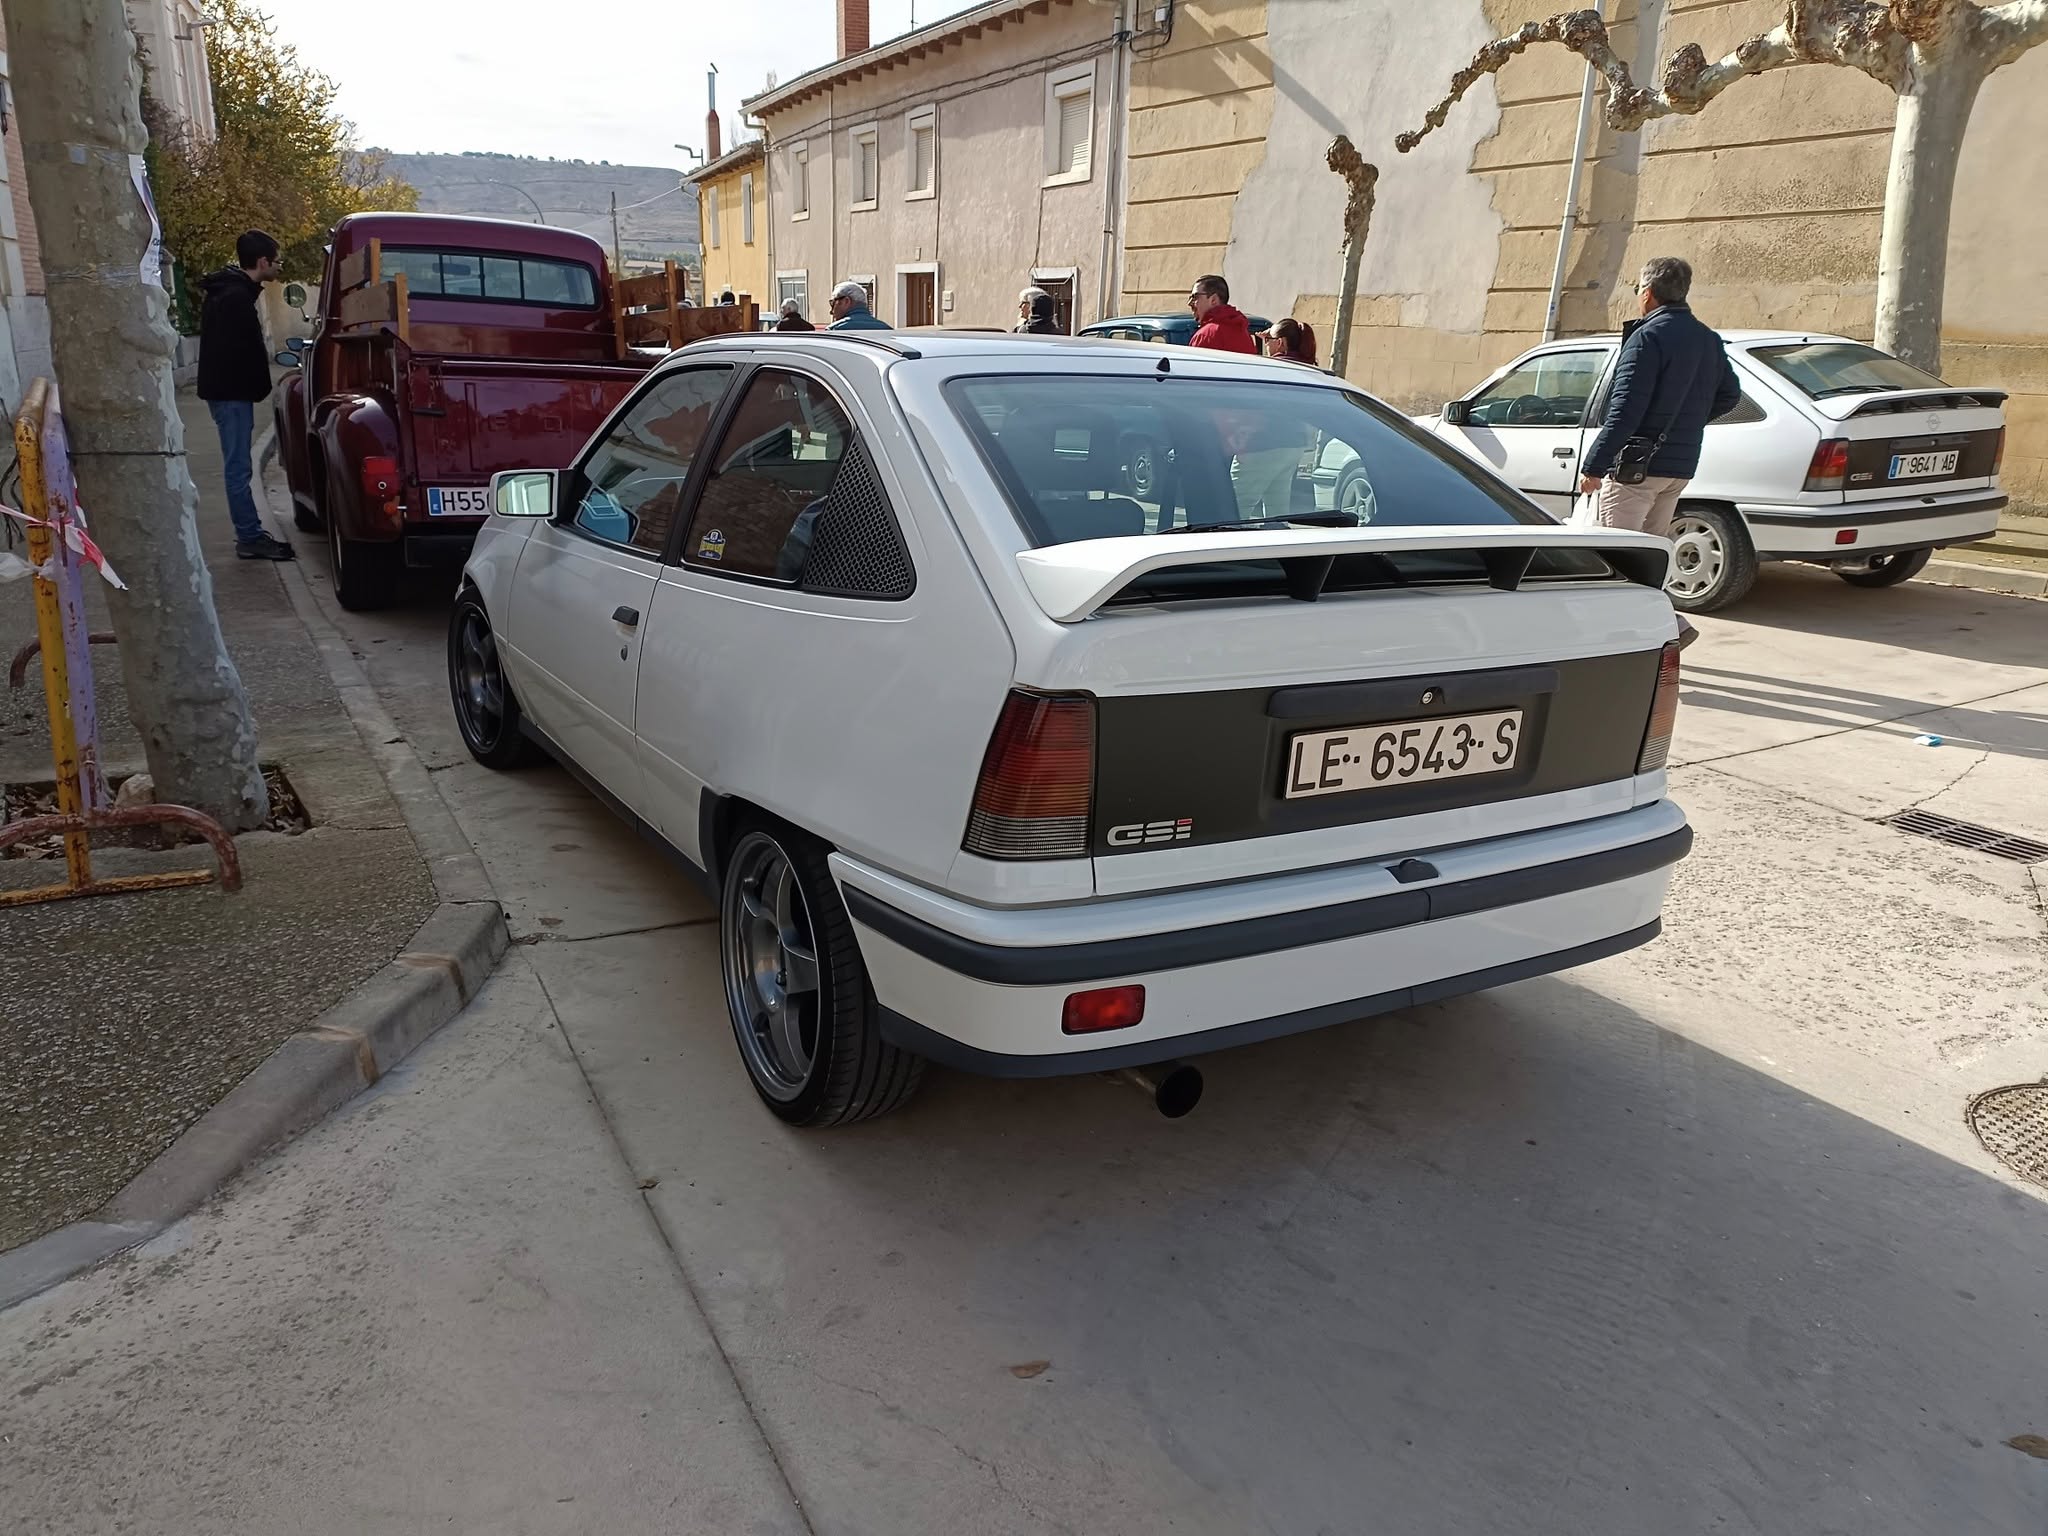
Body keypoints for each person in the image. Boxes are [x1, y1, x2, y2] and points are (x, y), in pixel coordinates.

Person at [1578, 255, 1740, 647]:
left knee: (1614, 559)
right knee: (1649, 559)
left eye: (1637, 290)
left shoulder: (1647, 337)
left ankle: (1655, 631)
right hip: (1677, 468)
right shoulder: (1707, 338)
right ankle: (1652, 635)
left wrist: (1594, 465)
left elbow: (1624, 411)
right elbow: (1730, 396)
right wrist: (1688, 423)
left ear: (1647, 294)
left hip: (1636, 469)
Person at [196, 229, 294, 560]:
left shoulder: (230, 292)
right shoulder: (235, 299)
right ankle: (249, 537)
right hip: (231, 395)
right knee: (238, 468)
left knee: (238, 466)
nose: (278, 267)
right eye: (276, 261)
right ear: (262, 261)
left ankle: (250, 533)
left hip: (227, 393)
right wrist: (259, 387)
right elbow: (238, 354)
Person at [1186, 273, 1255, 354]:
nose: (1190, 303)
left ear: (1213, 300)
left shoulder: (1205, 336)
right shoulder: (1244, 334)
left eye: (1195, 297)